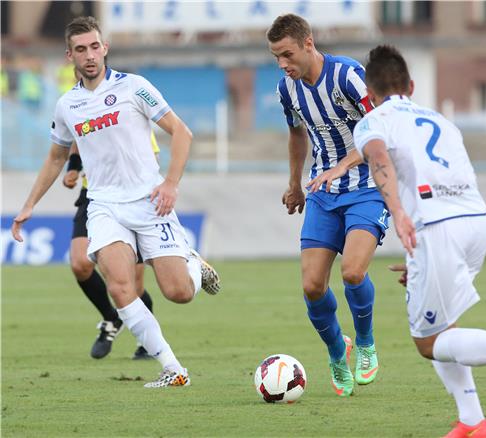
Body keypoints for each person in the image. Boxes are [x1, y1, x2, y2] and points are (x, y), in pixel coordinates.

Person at [353, 44, 486, 437]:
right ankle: (472, 421)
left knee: (428, 342)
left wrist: (398, 212)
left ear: (369, 93)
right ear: (411, 85)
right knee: (445, 325)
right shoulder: (441, 121)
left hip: (437, 227)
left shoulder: (372, 120)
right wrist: (424, 264)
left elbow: (379, 158)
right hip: (475, 221)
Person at [12, 16, 220, 388]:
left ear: (104, 48)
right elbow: (56, 157)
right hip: (104, 205)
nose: (89, 55)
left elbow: (181, 133)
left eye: (94, 47)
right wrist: (29, 205)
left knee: (178, 294)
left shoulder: (134, 87)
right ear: (69, 55)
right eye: (81, 49)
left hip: (149, 200)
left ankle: (191, 264)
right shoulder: (67, 105)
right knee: (121, 287)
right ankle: (173, 369)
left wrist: (170, 184)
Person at [267, 14, 389, 397]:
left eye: (287, 54)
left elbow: (381, 128)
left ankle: (366, 343)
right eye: (276, 57)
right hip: (323, 191)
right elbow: (296, 135)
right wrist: (294, 185)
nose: (283, 64)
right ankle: (339, 351)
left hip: (368, 185)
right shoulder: (287, 89)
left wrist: (341, 166)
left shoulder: (347, 75)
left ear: (308, 43)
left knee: (353, 272)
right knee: (312, 285)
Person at [63, 139, 158, 360]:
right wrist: (73, 168)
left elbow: (152, 156)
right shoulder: (82, 109)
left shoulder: (130, 110)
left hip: (130, 197)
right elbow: (78, 139)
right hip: (93, 194)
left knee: (133, 285)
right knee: (79, 264)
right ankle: (111, 317)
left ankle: (148, 342)